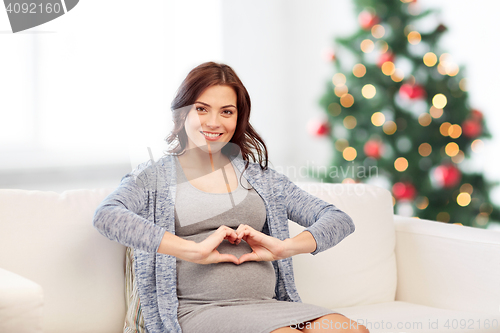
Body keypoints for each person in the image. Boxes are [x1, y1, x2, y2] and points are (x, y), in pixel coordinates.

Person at [93, 62, 368, 333]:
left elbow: (339, 220)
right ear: (181, 114)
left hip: (267, 306)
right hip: (197, 310)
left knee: (352, 331)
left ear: (238, 118)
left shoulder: (261, 178)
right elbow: (107, 216)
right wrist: (193, 250)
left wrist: (285, 247)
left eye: (226, 111)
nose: (214, 122)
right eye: (201, 109)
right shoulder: (153, 177)